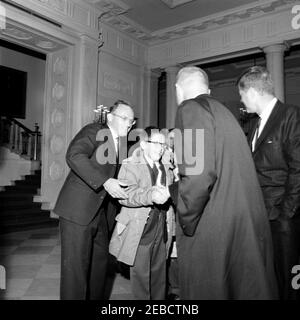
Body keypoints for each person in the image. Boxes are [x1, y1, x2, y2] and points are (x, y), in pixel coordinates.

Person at [167, 65, 278, 299]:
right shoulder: (223, 111)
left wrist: (186, 219)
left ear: (178, 88)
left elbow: (199, 174)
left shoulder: (190, 109)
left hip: (212, 227)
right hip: (238, 223)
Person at [53, 100, 135, 300]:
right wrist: (106, 182)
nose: (129, 124)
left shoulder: (121, 145)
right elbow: (74, 155)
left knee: (99, 268)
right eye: (124, 118)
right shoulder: (95, 131)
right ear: (110, 117)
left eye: (132, 121)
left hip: (101, 215)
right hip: (78, 211)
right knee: (76, 271)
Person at [237, 66, 300, 300]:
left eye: (242, 95)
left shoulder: (291, 115)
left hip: (284, 218)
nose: (241, 101)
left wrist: (286, 214)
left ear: (252, 92)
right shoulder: (254, 125)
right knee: (269, 277)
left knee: (290, 280)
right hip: (261, 216)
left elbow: (298, 169)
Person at [109, 127, 175, 300]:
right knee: (141, 283)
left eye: (163, 144)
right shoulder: (130, 164)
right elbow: (126, 195)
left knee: (160, 279)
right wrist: (150, 195)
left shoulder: (166, 166)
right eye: (157, 143)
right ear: (144, 144)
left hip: (162, 230)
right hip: (139, 232)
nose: (161, 148)